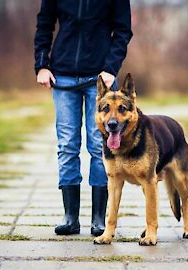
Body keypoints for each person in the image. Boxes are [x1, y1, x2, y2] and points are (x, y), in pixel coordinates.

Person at [34, 0, 133, 236]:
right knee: (67, 145)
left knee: (100, 146)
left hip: (100, 78)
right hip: (62, 76)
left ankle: (99, 219)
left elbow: (122, 31)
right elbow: (44, 24)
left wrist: (110, 68)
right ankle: (70, 218)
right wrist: (41, 65)